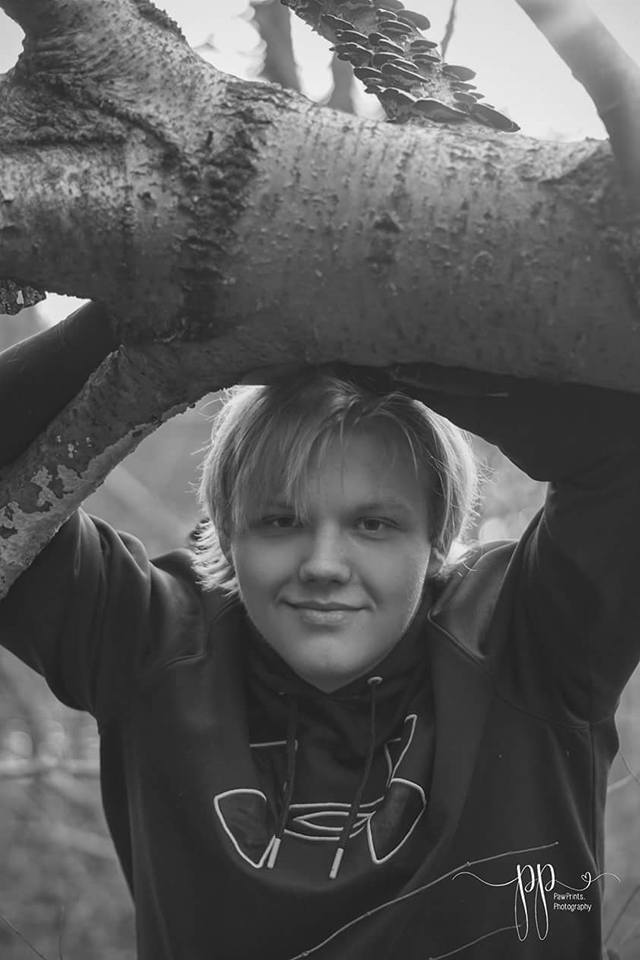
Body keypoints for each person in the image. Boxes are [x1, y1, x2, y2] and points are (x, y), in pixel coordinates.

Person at [0, 302, 639, 960]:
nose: (324, 566)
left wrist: (381, 338)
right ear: (228, 534)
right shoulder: (149, 640)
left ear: (436, 537)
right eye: (281, 522)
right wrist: (143, 316)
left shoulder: (531, 639)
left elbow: (626, 448)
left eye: (373, 524)